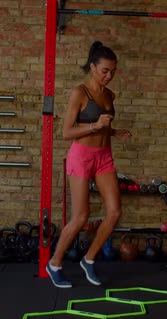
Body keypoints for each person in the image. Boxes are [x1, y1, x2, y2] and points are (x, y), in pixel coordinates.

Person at [46, 41, 131, 288]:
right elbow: (66, 132)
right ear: (92, 67)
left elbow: (103, 126)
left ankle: (89, 259)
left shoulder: (109, 95)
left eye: (113, 71)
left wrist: (114, 133)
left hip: (104, 156)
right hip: (81, 156)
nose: (109, 75)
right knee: (81, 217)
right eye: (104, 70)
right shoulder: (79, 93)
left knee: (114, 212)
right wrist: (95, 126)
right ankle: (54, 264)